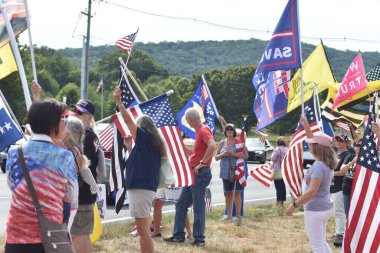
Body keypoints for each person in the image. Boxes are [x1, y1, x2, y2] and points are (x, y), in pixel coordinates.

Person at [5, 98, 78, 253]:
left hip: (16, 238)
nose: (66, 124)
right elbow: (71, 196)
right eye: (63, 119)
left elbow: (12, 185)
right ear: (53, 124)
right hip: (50, 237)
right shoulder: (64, 156)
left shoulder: (14, 152)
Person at [113, 87, 165, 253]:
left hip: (141, 189)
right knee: (143, 230)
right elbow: (141, 163)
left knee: (143, 231)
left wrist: (120, 103)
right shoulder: (150, 142)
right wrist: (129, 148)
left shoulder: (145, 138)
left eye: (137, 126)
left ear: (143, 127)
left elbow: (128, 122)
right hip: (144, 188)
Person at [164, 108, 215, 247]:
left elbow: (212, 146)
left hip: (199, 173)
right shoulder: (200, 131)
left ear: (191, 119)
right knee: (181, 204)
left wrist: (201, 164)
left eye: (187, 121)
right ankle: (178, 235)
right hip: (193, 174)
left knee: (198, 207)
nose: (187, 123)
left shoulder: (203, 130)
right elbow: (198, 151)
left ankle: (199, 239)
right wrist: (184, 148)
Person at [287, 115, 337, 253]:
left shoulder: (319, 166)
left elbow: (312, 192)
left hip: (316, 209)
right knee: (321, 242)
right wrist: (306, 126)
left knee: (317, 245)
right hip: (323, 207)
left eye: (311, 145)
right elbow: (314, 141)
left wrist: (294, 205)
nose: (309, 147)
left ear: (318, 148)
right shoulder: (325, 162)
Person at [71, 98, 99, 253]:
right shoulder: (88, 135)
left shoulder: (86, 137)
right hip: (82, 193)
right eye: (74, 110)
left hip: (83, 193)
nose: (75, 114)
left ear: (89, 116)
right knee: (74, 236)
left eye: (80, 112)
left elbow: (82, 166)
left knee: (81, 235)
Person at [215, 123, 248, 222]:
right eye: (227, 129)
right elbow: (216, 157)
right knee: (227, 193)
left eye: (231, 129)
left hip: (237, 171)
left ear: (234, 131)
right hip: (225, 171)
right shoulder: (222, 142)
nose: (229, 130)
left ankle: (238, 216)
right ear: (225, 131)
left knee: (237, 193)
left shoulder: (239, 142)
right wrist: (223, 154)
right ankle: (228, 215)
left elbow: (245, 156)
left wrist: (233, 154)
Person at [330, 134, 351, 246]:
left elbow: (342, 172)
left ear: (346, 143)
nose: (338, 142)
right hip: (331, 186)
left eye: (341, 140)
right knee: (335, 212)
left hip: (340, 186)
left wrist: (329, 174)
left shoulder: (347, 155)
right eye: (337, 140)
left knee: (339, 212)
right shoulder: (334, 154)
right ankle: (338, 231)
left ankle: (340, 234)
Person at [335, 138, 362, 216]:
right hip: (347, 189)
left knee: (358, 215)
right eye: (357, 145)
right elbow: (342, 170)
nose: (359, 147)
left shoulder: (367, 160)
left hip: (359, 191)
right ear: (354, 147)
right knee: (347, 214)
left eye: (361, 145)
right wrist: (352, 162)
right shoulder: (350, 156)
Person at [270, 136, 288, 207]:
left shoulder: (277, 149)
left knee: (278, 187)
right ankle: (282, 202)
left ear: (277, 142)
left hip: (277, 169)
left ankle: (278, 203)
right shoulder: (286, 149)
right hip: (284, 169)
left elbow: (273, 159)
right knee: (283, 186)